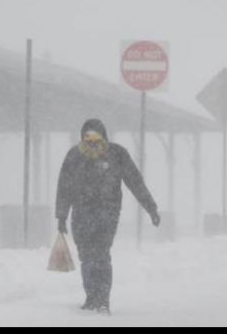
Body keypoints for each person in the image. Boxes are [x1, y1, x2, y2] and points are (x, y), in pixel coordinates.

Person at [55, 118, 160, 314]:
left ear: (104, 136)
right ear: (82, 137)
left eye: (96, 135)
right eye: (88, 136)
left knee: (101, 255)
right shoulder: (74, 156)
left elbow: (135, 181)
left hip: (107, 213)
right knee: (86, 257)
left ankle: (103, 299)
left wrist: (151, 208)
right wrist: (61, 216)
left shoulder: (117, 154)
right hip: (81, 214)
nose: (92, 140)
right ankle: (91, 297)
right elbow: (64, 187)